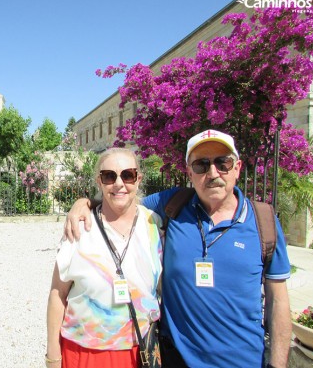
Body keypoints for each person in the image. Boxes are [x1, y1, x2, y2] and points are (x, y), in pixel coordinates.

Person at [64, 130, 292, 368]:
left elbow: (278, 302)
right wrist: (84, 203)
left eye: (222, 162)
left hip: (242, 361)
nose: (213, 173)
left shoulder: (262, 221)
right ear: (189, 172)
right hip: (176, 359)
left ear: (237, 167)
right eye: (201, 165)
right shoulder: (173, 205)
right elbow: (123, 198)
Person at [46, 148, 163, 368]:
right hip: (86, 353)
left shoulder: (154, 225)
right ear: (99, 182)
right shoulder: (79, 228)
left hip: (141, 351)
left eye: (127, 175)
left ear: (139, 179)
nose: (119, 183)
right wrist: (52, 353)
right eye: (109, 176)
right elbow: (57, 292)